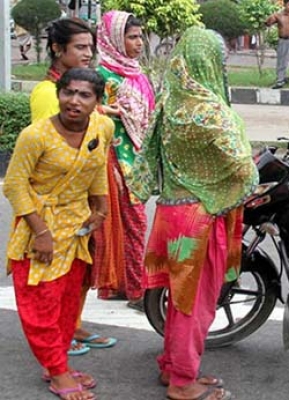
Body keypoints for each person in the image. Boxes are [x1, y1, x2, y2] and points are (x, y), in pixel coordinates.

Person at [132, 26, 258, 400]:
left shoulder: (171, 104)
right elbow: (240, 170)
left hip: (171, 215)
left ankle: (172, 367)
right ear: (211, 63)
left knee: (179, 299)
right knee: (196, 304)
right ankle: (183, 382)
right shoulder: (210, 110)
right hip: (201, 219)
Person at [4, 67, 114, 400]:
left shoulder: (102, 127)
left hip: (76, 229)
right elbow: (14, 185)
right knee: (41, 308)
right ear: (58, 94)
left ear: (98, 101)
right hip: (40, 231)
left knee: (67, 306)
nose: (74, 101)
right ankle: (57, 371)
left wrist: (102, 207)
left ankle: (56, 363)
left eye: (84, 95)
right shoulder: (35, 136)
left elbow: (96, 167)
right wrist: (41, 232)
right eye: (68, 92)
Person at [29, 17, 118, 356]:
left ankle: (71, 326)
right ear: (57, 49)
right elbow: (49, 153)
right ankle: (54, 343)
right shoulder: (46, 93)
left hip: (82, 198)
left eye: (90, 47)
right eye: (80, 47)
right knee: (52, 275)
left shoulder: (81, 87)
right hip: (56, 202)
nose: (88, 53)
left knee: (79, 270)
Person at [92, 11, 155, 312]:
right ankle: (137, 290)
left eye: (140, 36)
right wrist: (108, 111)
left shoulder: (136, 72)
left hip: (137, 159)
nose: (139, 42)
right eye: (131, 37)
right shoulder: (102, 76)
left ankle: (122, 283)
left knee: (132, 224)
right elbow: (83, 111)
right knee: (134, 224)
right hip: (115, 159)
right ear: (115, 39)